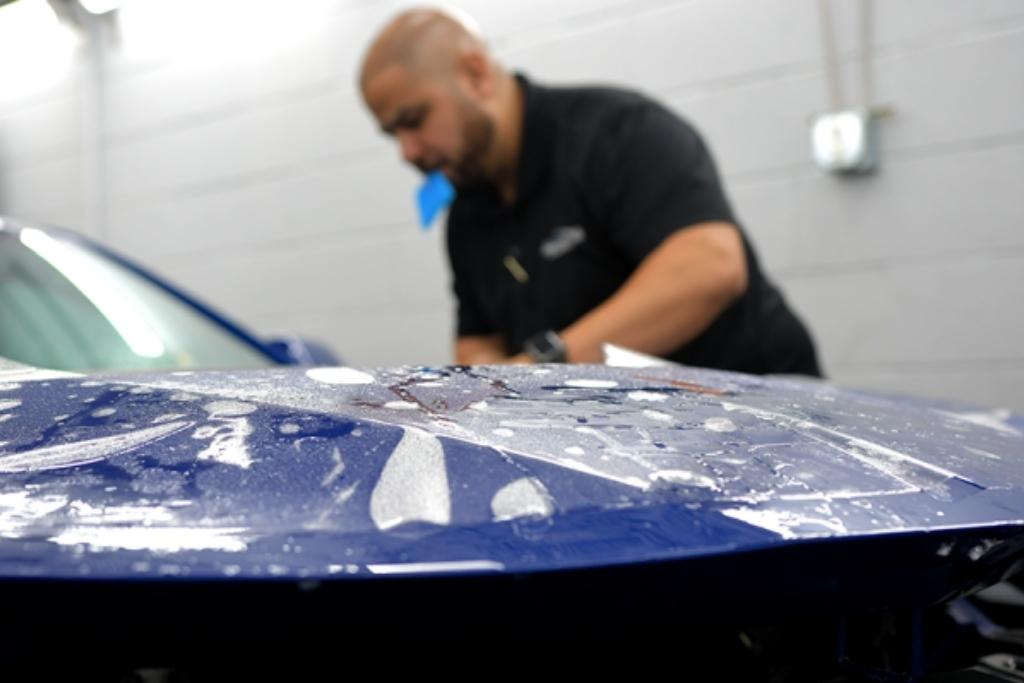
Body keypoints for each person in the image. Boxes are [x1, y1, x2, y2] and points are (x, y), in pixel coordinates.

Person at [359, 7, 821, 376]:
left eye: (413, 121)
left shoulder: (616, 133)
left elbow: (710, 267)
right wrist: (489, 388)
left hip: (763, 419)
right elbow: (478, 346)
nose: (406, 152)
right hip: (635, 447)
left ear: (476, 74)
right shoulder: (466, 214)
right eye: (391, 135)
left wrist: (541, 372)